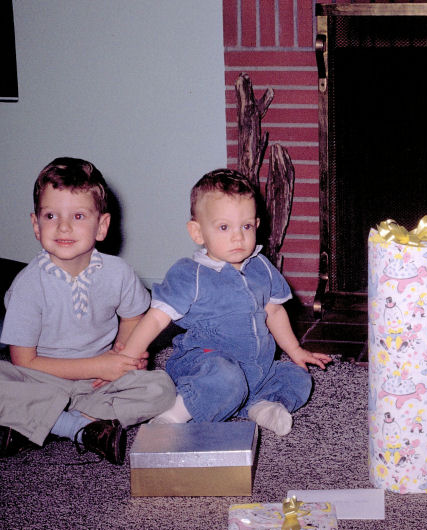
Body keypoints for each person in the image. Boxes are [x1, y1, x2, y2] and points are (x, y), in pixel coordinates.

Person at [0, 157, 176, 464]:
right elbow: (24, 361)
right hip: (41, 380)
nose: (63, 226)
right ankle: (79, 427)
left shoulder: (119, 272)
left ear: (101, 226)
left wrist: (126, 356)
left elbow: (132, 317)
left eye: (77, 215)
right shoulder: (29, 285)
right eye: (50, 215)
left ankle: (40, 423)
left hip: (99, 386)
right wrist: (100, 365)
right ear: (36, 225)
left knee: (161, 388)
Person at [116, 168, 331, 436]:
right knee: (225, 379)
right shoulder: (189, 274)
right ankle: (174, 415)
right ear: (197, 232)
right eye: (224, 227)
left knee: (296, 377)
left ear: (257, 225)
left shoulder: (260, 267)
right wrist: (127, 357)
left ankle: (260, 405)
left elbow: (274, 311)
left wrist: (295, 349)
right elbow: (157, 317)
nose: (238, 237)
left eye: (246, 226)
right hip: (205, 365)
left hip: (256, 367)